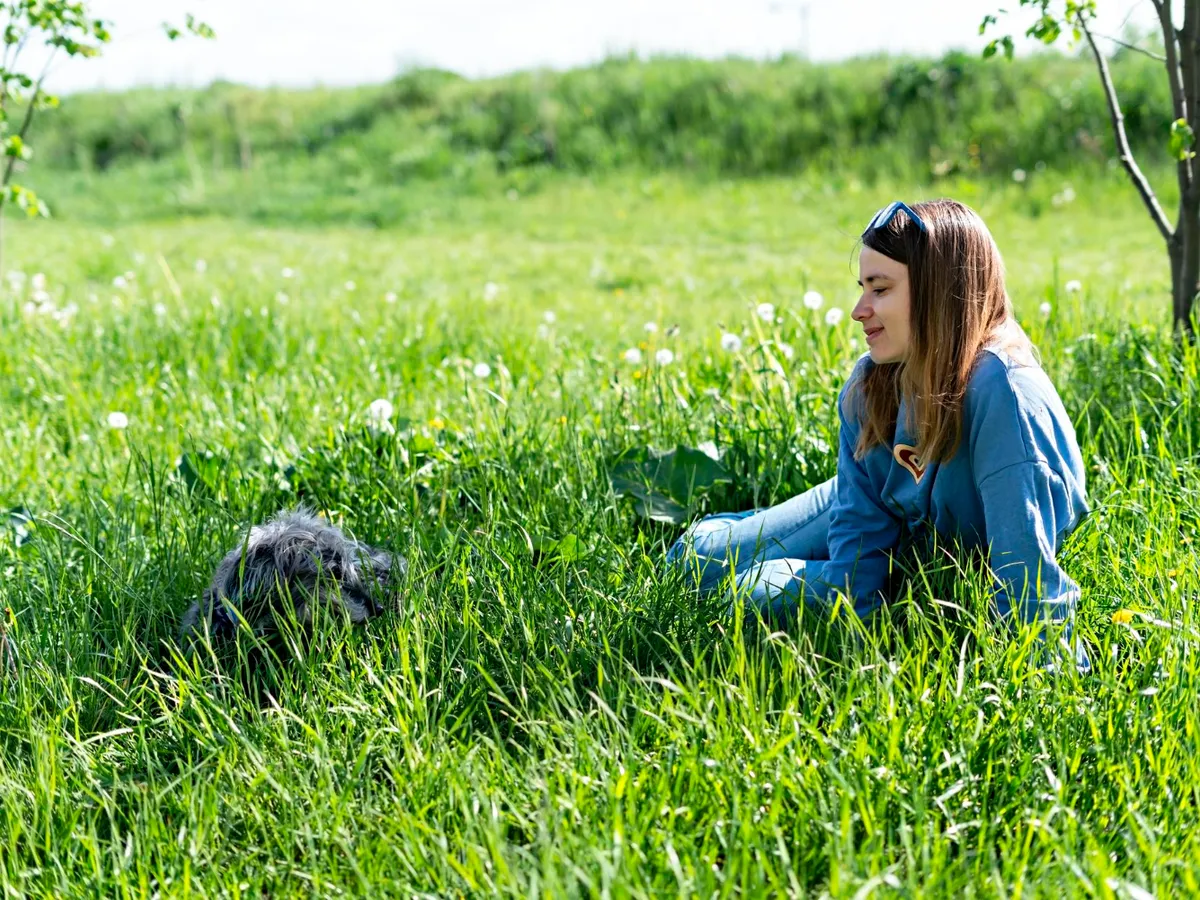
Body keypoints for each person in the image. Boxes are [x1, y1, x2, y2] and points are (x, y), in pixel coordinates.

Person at [666, 199, 1090, 670]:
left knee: (747, 593)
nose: (858, 311)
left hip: (918, 537)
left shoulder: (1004, 394)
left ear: (940, 291)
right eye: (862, 289)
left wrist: (1043, 688)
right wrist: (864, 648)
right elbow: (857, 564)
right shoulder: (873, 383)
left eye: (880, 289)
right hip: (879, 507)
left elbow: (1028, 582)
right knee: (694, 567)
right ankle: (710, 535)